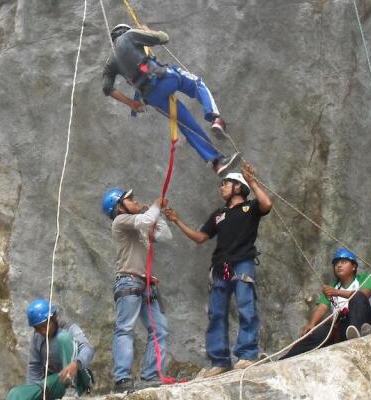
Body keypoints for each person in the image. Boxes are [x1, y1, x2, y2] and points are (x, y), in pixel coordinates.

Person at [163, 162, 272, 377]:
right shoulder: (218, 214)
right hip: (220, 266)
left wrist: (252, 181)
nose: (221, 187)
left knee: (246, 308)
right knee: (216, 314)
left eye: (226, 183)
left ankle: (247, 354)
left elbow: (267, 204)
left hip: (242, 262)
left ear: (238, 188)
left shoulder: (250, 208)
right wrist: (177, 221)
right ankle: (220, 360)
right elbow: (200, 237)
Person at [102, 24, 240, 176]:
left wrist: (131, 103)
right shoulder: (129, 36)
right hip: (164, 78)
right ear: (125, 31)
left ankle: (217, 163)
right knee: (197, 84)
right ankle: (216, 119)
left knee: (187, 126)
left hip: (152, 97)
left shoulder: (111, 61)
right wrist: (146, 30)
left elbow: (107, 88)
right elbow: (163, 38)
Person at [101, 187, 173, 393]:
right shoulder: (120, 222)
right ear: (119, 207)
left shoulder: (139, 226)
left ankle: (150, 375)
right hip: (129, 281)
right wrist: (154, 207)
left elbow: (165, 235)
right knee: (125, 328)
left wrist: (154, 212)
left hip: (144, 283)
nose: (134, 200)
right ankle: (122, 378)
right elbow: (144, 220)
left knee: (160, 329)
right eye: (129, 199)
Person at [280, 248, 371, 359]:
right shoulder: (332, 287)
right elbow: (322, 307)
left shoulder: (366, 278)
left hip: (366, 323)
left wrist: (337, 293)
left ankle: (356, 333)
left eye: (343, 262)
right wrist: (312, 325)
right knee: (319, 332)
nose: (339, 266)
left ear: (354, 266)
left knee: (357, 297)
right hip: (344, 326)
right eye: (336, 263)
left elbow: (363, 294)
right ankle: (283, 359)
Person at [6, 299, 94, 400]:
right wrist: (33, 391)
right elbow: (34, 366)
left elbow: (88, 349)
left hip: (79, 379)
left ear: (54, 318)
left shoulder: (69, 328)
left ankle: (72, 390)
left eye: (45, 326)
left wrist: (76, 363)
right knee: (16, 394)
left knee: (63, 338)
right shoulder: (37, 338)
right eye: (38, 328)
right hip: (57, 381)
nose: (43, 331)